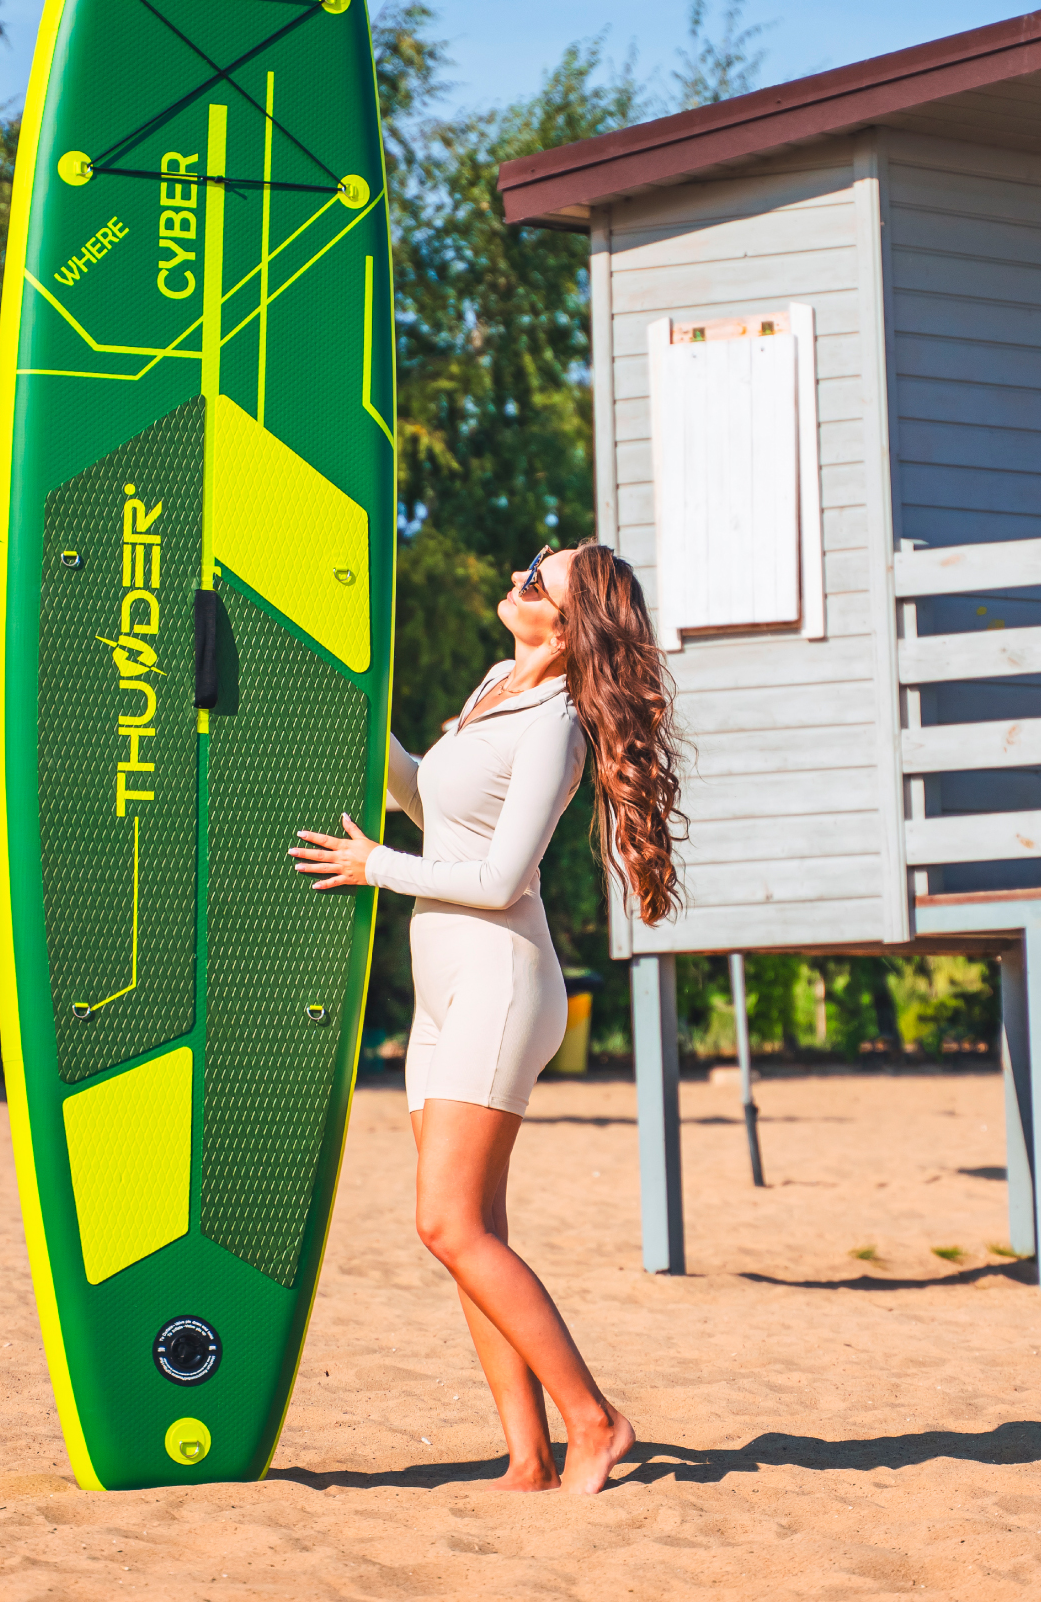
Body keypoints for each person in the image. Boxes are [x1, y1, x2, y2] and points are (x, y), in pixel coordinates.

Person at [290, 540, 682, 1493]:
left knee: (448, 1225)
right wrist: (367, 730)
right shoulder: (499, 683)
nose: (519, 577)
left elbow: (502, 878)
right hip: (444, 987)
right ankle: (527, 1455)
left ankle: (596, 1419)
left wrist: (372, 866)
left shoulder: (558, 724)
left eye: (538, 578)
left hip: (501, 982)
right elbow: (436, 806)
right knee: (474, 1230)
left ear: (569, 617)